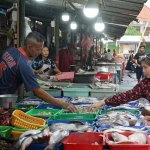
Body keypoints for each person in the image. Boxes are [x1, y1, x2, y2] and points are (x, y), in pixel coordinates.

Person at [0, 31, 77, 112]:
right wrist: (63, 104)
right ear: (29, 46)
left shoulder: (9, 51)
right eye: (38, 49)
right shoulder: (24, 65)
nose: (39, 52)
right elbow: (38, 92)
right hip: (2, 100)